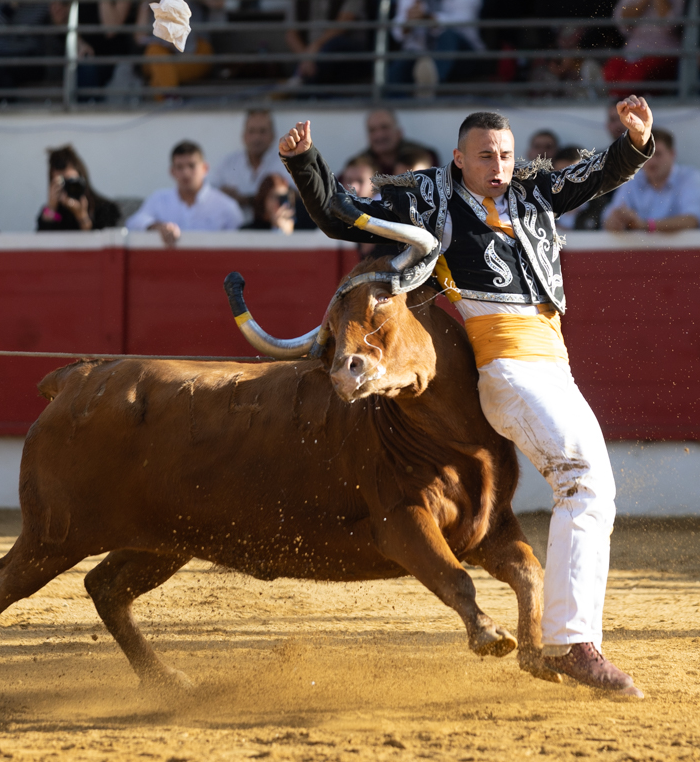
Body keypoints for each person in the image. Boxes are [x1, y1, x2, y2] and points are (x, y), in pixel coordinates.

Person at [279, 100, 656, 698]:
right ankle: (573, 644)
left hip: (554, 365)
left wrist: (634, 142)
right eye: (485, 156)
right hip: (506, 366)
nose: (499, 165)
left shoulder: (533, 193)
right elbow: (344, 216)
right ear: (459, 159)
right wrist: (305, 163)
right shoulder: (431, 198)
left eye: (506, 154)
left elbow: (594, 176)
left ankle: (570, 639)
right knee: (583, 482)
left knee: (594, 488)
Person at [389, 0, 485, 95]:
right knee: (397, 70)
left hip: (463, 54)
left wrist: (428, 18)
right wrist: (409, 22)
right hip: (420, 52)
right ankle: (388, 108)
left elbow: (464, 22)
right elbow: (398, 30)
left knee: (448, 36)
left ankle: (430, 87)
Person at [125, 140, 243, 246]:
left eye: (192, 166)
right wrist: (157, 227)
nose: (186, 173)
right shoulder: (159, 199)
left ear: (205, 168)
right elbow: (133, 222)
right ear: (172, 171)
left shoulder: (226, 206)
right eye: (180, 167)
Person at [604, 0, 689, 95]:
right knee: (611, 70)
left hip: (664, 51)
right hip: (633, 49)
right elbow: (623, 20)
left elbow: (670, 24)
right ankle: (617, 101)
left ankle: (618, 103)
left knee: (635, 76)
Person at [134, 0, 219, 91]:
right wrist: (145, 6)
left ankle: (167, 99)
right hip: (162, 54)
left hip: (194, 52)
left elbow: (219, 1)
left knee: (160, 74)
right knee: (154, 52)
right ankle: (170, 98)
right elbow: (139, 38)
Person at [604, 127, 700, 232]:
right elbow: (610, 216)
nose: (651, 162)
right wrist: (615, 221)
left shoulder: (689, 177)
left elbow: (692, 220)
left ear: (672, 154)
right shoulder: (632, 180)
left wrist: (645, 225)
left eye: (657, 154)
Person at [285, 0, 368, 87]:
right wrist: (306, 58)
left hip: (346, 50)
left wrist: (315, 47)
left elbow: (343, 25)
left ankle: (303, 93)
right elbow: (291, 32)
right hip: (310, 54)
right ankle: (307, 91)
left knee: (332, 47)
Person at [63, 0, 137, 99]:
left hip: (114, 58)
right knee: (85, 67)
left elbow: (110, 29)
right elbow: (68, 23)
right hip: (85, 55)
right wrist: (80, 43)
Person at [210, 109, 287, 216]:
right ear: (244, 135)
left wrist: (246, 200)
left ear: (273, 135)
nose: (257, 137)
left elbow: (296, 196)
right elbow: (208, 193)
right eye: (252, 131)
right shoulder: (229, 163)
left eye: (262, 131)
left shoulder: (285, 162)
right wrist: (223, 195)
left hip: (272, 230)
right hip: (233, 229)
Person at [37, 144, 122, 231]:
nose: (67, 188)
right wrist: (51, 209)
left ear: (82, 179)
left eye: (71, 182)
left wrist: (82, 216)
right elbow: (41, 242)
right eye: (61, 184)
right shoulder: (53, 214)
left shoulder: (105, 209)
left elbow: (104, 241)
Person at [360, 108, 440, 176]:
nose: (379, 135)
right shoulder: (360, 164)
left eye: (385, 127)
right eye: (372, 130)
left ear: (399, 132)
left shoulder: (426, 156)